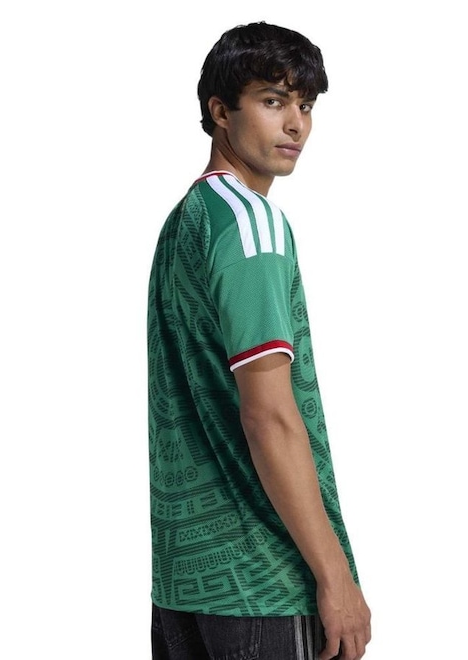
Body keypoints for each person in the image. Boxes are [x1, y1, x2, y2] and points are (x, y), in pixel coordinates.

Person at [147, 21, 372, 660]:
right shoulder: (250, 224)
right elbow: (268, 415)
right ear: (220, 111)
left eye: (306, 105)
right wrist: (335, 577)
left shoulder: (187, 220)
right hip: (263, 582)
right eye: (273, 101)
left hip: (184, 583)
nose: (296, 124)